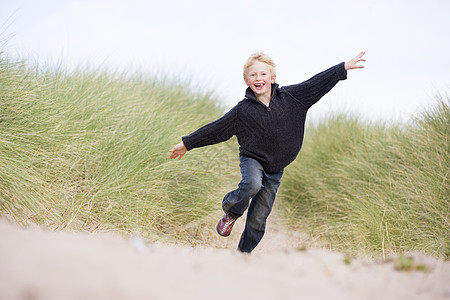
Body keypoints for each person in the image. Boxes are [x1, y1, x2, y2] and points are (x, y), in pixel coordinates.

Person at [169, 51, 366, 253]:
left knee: (258, 218)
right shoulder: (242, 111)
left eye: (263, 74)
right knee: (252, 184)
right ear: (245, 80)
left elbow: (315, 83)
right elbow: (216, 129)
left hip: (276, 168)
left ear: (272, 78)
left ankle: (242, 255)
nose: (258, 78)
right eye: (253, 75)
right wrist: (187, 143)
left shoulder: (292, 98)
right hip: (252, 159)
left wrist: (341, 68)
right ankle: (231, 211)